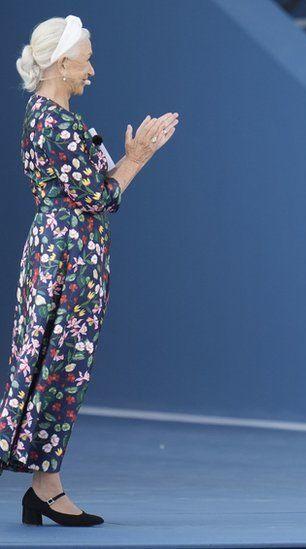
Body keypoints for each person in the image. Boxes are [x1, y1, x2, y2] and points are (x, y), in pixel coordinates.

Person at [1, 15, 178, 526]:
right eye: (86, 58)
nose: (92, 69)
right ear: (62, 62)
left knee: (48, 365)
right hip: (68, 259)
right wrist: (137, 157)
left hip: (62, 253)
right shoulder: (54, 123)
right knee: (56, 366)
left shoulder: (46, 117)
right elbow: (101, 198)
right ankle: (44, 486)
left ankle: (44, 487)